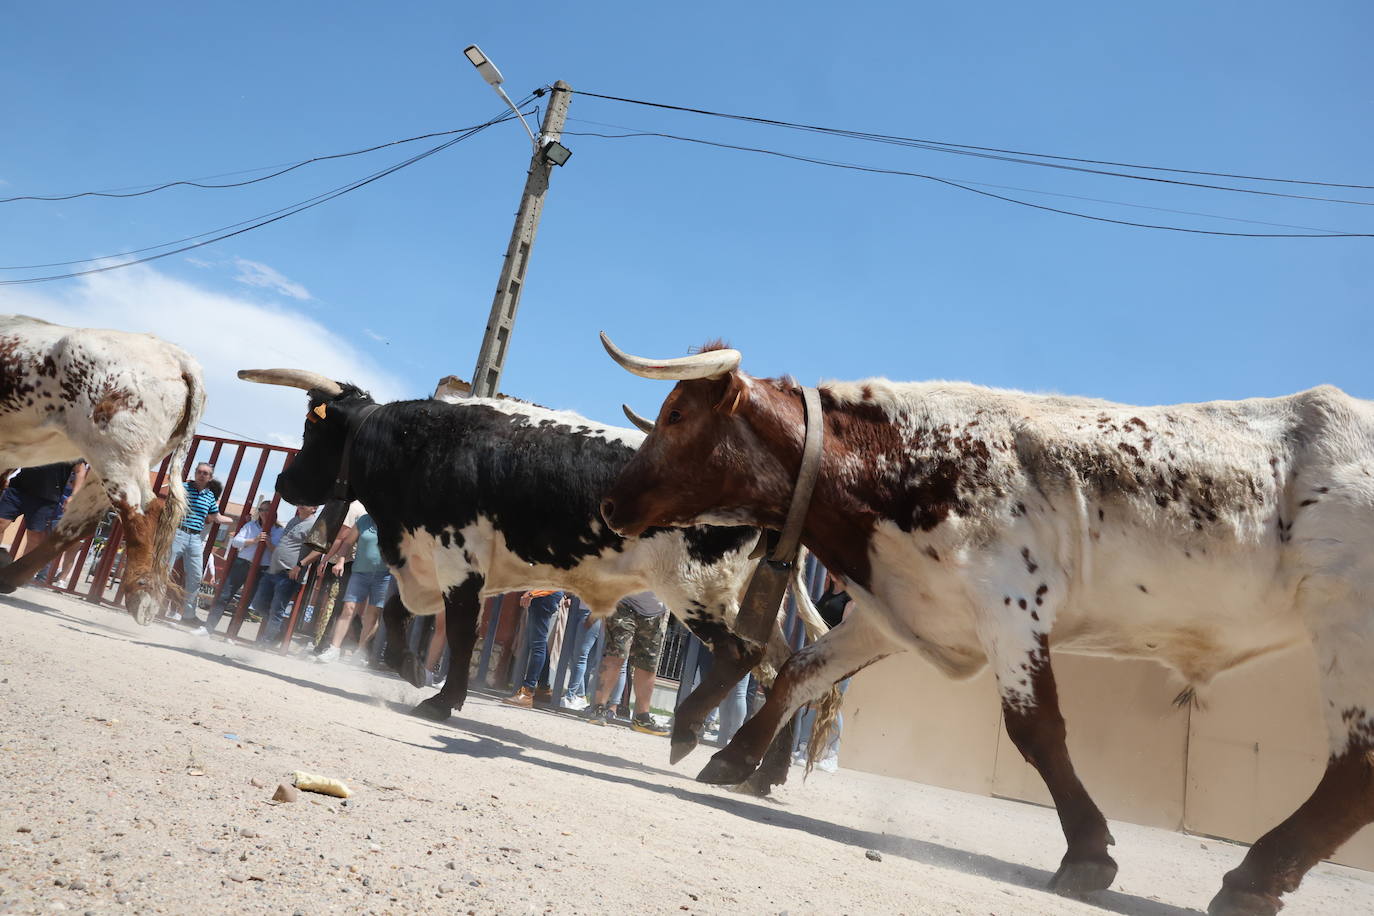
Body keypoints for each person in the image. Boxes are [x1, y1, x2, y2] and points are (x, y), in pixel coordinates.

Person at [585, 592, 671, 736]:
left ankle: (642, 717)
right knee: (616, 654)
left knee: (648, 663)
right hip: (623, 601)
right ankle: (598, 708)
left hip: (655, 611)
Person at [794, 572, 853, 771]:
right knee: (813, 703)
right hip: (821, 656)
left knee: (832, 706)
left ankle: (831, 756)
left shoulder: (851, 599)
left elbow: (845, 632)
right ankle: (804, 748)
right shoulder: (829, 592)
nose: (829, 572)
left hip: (840, 660)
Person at [314, 511, 392, 664]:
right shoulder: (364, 520)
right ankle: (334, 649)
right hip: (360, 573)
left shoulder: (394, 522)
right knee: (348, 608)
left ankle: (360, 652)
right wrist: (341, 561)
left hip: (384, 575)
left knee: (373, 613)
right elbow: (347, 543)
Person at [200, 498, 282, 636]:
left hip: (261, 569)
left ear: (274, 513)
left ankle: (231, 634)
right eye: (261, 510)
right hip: (242, 563)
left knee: (245, 602)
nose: (264, 513)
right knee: (224, 595)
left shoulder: (280, 531)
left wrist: (268, 543)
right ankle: (208, 628)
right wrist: (254, 540)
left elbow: (279, 553)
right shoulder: (251, 526)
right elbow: (236, 542)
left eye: (267, 510)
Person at [166, 462, 234, 626]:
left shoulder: (210, 496)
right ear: (195, 473)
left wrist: (233, 521)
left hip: (195, 539)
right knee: (164, 570)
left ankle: (188, 615)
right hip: (178, 533)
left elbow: (216, 517)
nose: (202, 475)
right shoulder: (182, 487)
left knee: (196, 576)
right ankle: (150, 604)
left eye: (205, 473)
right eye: (199, 472)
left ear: (210, 478)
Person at [251, 503, 320, 645]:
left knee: (277, 609)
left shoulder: (315, 524)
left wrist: (301, 565)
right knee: (258, 604)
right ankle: (279, 629)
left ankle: (266, 642)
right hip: (273, 569)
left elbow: (319, 550)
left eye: (306, 503)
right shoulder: (294, 520)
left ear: (314, 508)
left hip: (289, 573)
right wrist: (270, 544)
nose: (301, 505)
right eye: (300, 502)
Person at [0, 463, 87, 574]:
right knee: (1, 521)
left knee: (34, 536)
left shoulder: (73, 448)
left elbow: (80, 471)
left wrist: (74, 496)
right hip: (18, 488)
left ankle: (19, 572)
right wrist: (6, 475)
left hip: (47, 497)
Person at [502, 590, 568, 707]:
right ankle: (542, 687)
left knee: (538, 645)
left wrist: (532, 593)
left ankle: (527, 692)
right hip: (546, 595)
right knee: (540, 644)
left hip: (544, 595)